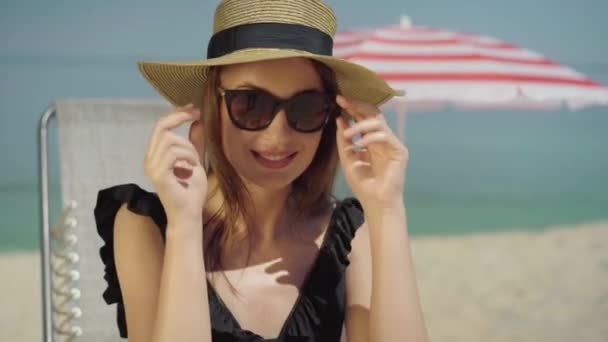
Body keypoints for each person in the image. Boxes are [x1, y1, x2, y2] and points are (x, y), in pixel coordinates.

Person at [93, 0, 428, 341]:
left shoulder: (348, 235)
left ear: (330, 117)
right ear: (213, 107)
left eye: (307, 107)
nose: (278, 136)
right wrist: (184, 226)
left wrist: (387, 209)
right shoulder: (146, 226)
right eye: (250, 103)